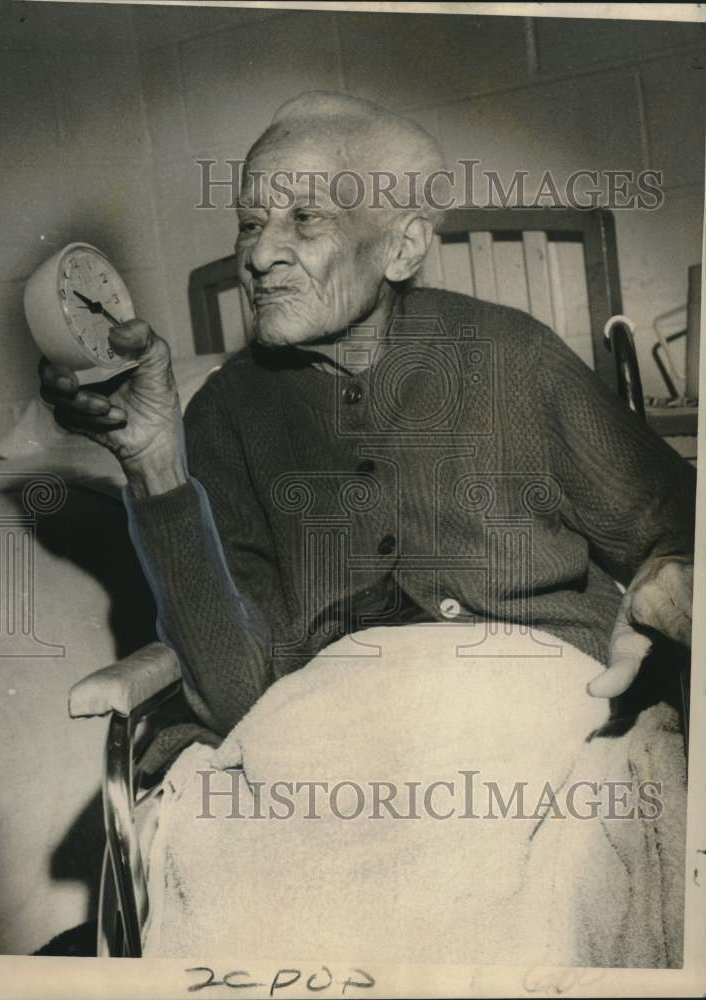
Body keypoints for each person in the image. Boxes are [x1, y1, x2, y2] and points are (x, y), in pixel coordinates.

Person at [39, 92, 695, 736]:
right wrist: (155, 466)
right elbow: (238, 709)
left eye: (304, 218)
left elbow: (679, 538)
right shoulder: (226, 416)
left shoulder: (509, 356)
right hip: (346, 743)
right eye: (248, 223)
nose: (258, 257)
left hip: (545, 715)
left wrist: (674, 574)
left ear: (401, 249)